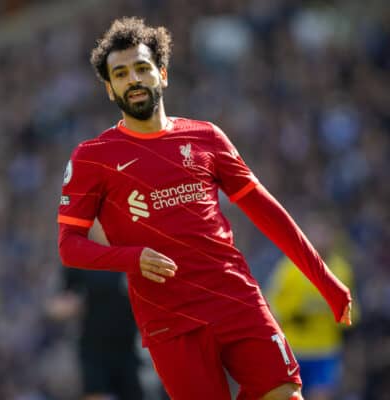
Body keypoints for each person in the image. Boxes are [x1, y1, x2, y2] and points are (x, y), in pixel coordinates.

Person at [57, 17, 352, 400]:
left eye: (142, 68)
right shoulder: (92, 158)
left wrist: (324, 278)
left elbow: (267, 211)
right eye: (121, 73)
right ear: (109, 87)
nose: (133, 79)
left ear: (162, 74)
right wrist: (130, 258)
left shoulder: (206, 137)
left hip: (235, 297)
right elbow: (69, 245)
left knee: (285, 392)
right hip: (171, 321)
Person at [47, 222, 145, 400]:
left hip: (129, 349)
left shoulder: (133, 252)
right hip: (94, 351)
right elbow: (58, 304)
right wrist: (69, 306)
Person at [266, 219, 357, 400]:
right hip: (294, 351)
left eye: (325, 234)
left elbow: (350, 312)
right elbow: (271, 306)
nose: (321, 239)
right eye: (317, 234)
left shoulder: (342, 271)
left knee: (320, 395)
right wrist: (293, 315)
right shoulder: (289, 268)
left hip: (325, 350)